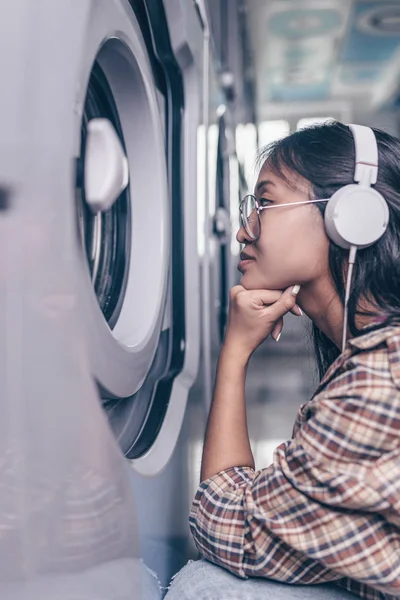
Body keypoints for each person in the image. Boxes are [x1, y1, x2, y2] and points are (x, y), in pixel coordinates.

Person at [165, 121, 400, 600]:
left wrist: (233, 355)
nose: (241, 230)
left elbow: (228, 528)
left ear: (351, 217)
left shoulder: (379, 376)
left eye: (265, 204)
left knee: (205, 587)